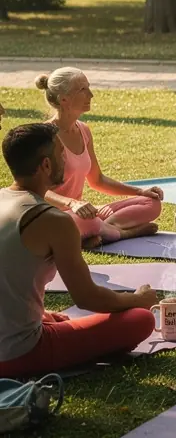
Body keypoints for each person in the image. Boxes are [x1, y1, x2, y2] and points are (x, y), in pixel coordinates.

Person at [0, 123, 157, 376]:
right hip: (18, 353)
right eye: (62, 153)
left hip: (12, 337)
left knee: (57, 319)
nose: (67, 159)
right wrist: (138, 299)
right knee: (141, 319)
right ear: (46, 165)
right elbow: (87, 298)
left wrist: (39, 313)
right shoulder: (53, 220)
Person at [37, 68, 163, 246]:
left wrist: (140, 191)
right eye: (83, 90)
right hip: (54, 217)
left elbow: (97, 180)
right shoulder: (43, 136)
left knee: (152, 203)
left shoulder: (84, 130)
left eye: (88, 87)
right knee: (84, 221)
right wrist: (72, 203)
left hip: (83, 213)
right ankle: (122, 233)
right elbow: (35, 190)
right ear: (64, 99)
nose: (91, 94)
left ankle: (102, 231)